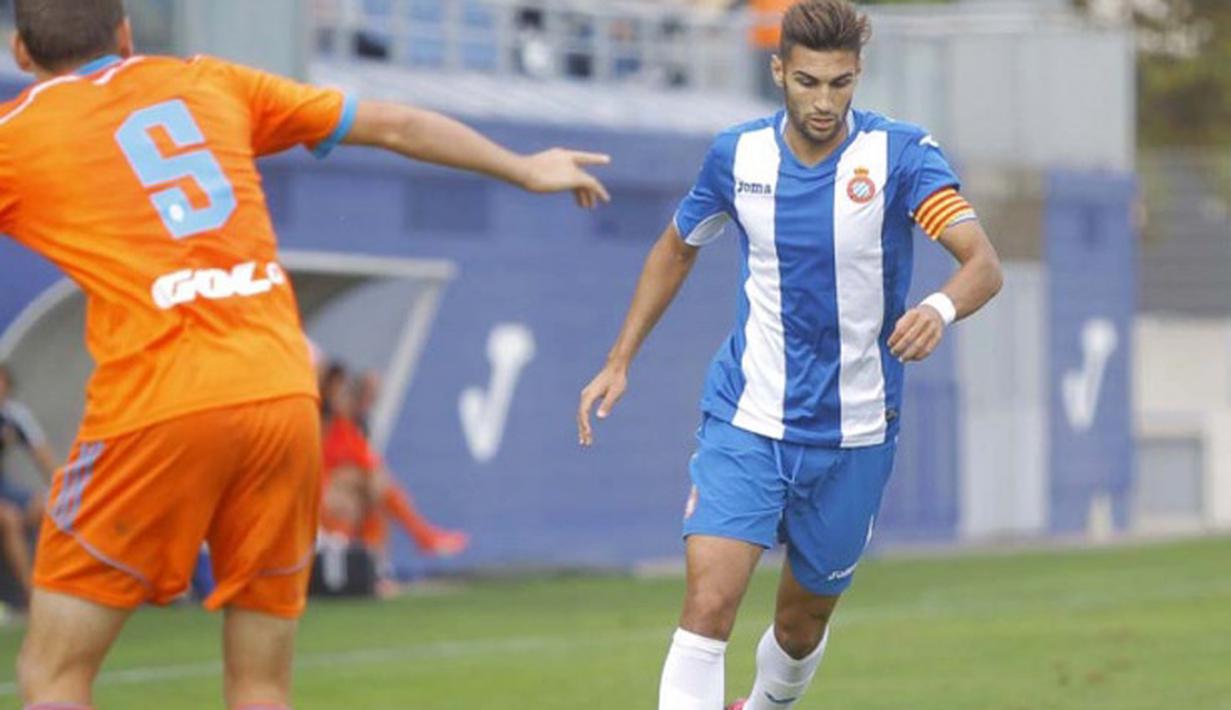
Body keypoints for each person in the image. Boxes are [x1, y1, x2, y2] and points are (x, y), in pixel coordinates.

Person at [3, 1, 610, 708]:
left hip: (158, 398)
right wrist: (525, 168)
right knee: (261, 683)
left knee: (55, 675)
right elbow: (395, 123)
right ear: (127, 36)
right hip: (282, 394)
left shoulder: (18, 134)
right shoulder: (211, 81)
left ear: (22, 53)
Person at [577, 2, 1002, 708]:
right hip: (747, 417)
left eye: (839, 83)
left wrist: (937, 307)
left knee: (799, 627)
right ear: (777, 72)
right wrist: (620, 358)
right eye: (807, 82)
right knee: (708, 604)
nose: (824, 101)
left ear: (858, 76)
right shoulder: (734, 156)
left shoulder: (900, 157)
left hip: (855, 433)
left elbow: (980, 264)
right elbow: (675, 248)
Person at [0, 364, 57, 602]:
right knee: (9, 519)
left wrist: (59, 491)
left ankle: (58, 587)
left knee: (49, 509)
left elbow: (43, 457)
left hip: (6, 488)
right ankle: (32, 596)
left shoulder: (14, 415)